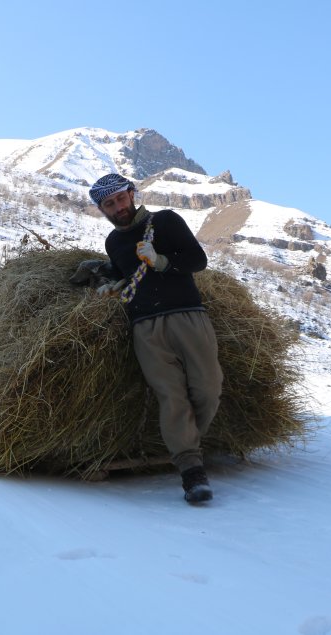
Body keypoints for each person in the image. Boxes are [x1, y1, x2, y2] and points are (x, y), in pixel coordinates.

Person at [89, 172, 223, 504]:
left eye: (121, 198)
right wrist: (110, 282)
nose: (118, 207)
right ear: (102, 209)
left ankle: (186, 439)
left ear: (132, 194)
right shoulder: (113, 242)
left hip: (188, 315)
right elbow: (124, 274)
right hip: (145, 326)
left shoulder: (166, 221)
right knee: (171, 396)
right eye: (109, 204)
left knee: (208, 388)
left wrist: (161, 260)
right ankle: (191, 471)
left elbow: (198, 261)